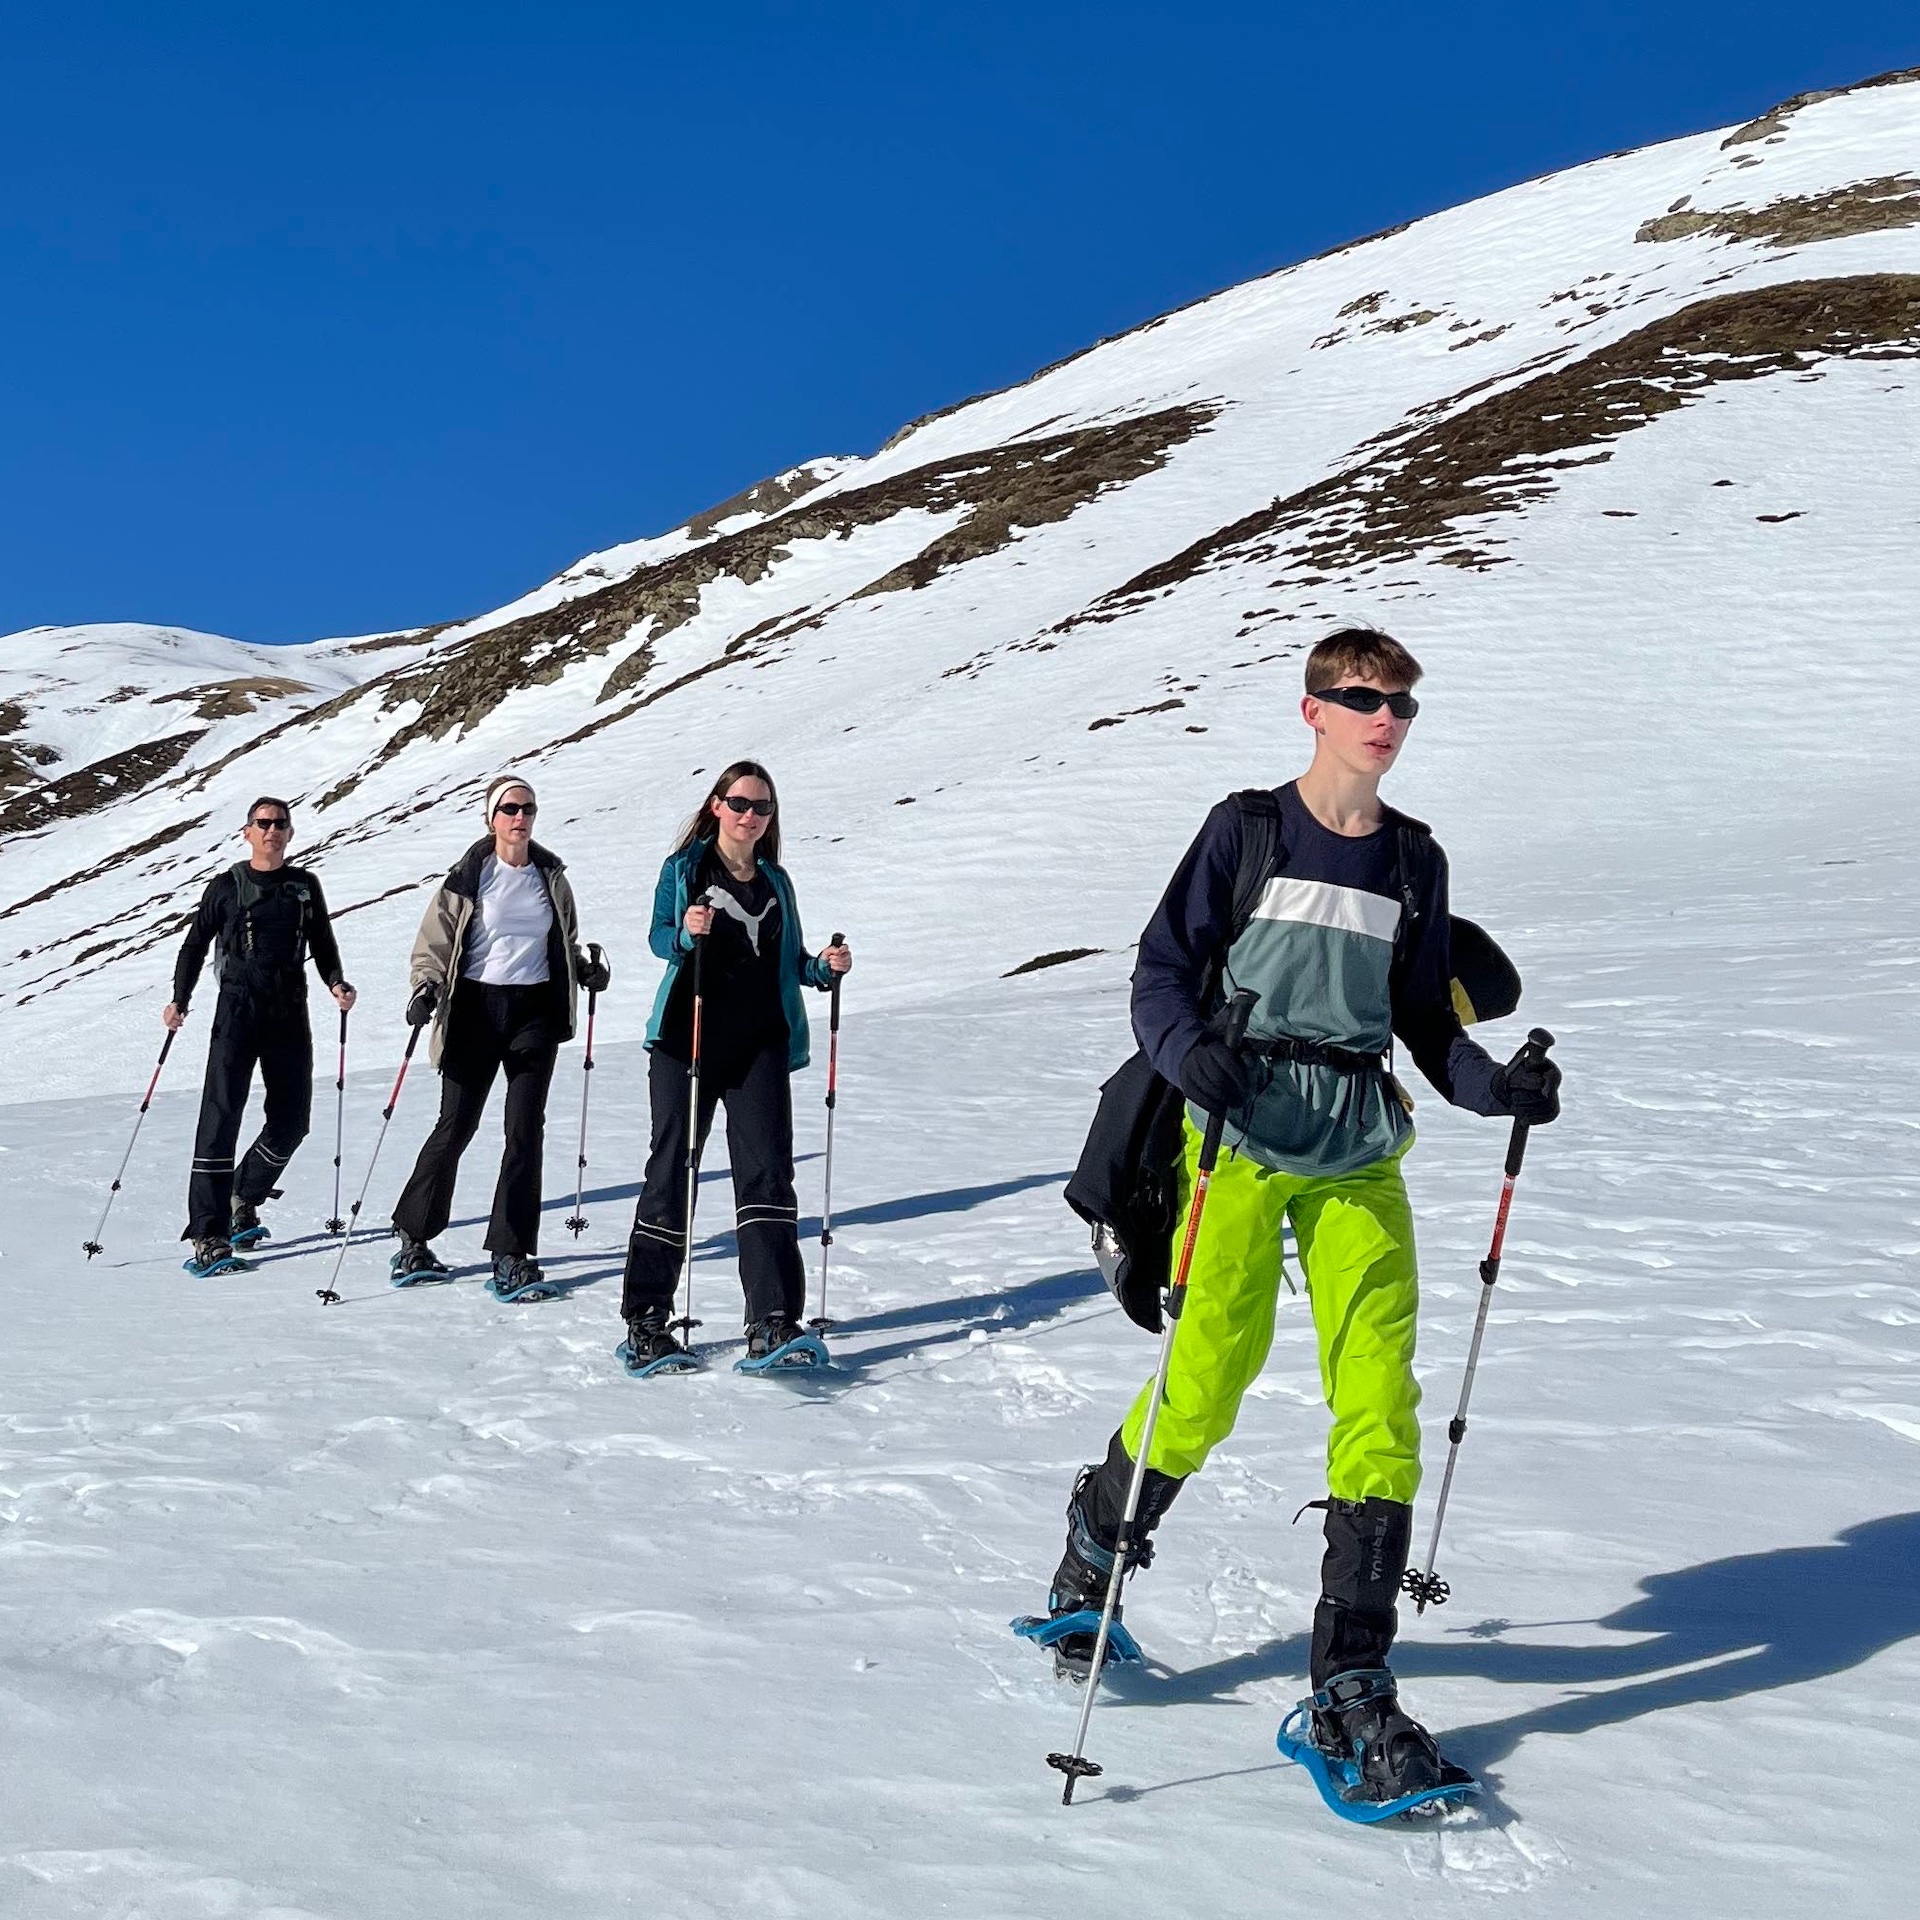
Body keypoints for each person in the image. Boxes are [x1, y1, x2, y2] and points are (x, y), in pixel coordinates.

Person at [1033, 627, 1563, 1800]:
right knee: (1213, 1367)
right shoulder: (1248, 829)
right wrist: (1186, 1056)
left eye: (1403, 703)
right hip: (1234, 1128)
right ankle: (1096, 1535)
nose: (1387, 717)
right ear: (1314, 709)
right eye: (1364, 697)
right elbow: (1162, 971)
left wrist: (1496, 1091)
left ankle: (1349, 1687)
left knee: (1379, 1390)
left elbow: (1427, 1026)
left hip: (1357, 1144)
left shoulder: (1416, 863)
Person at [620, 761, 851, 1368]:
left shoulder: (776, 881)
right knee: (672, 1168)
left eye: (763, 807)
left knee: (767, 1175)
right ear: (717, 805)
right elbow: (658, 938)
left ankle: (773, 1320)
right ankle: (646, 1319)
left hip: (760, 1044)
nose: (752, 816)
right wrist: (685, 932)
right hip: (686, 1038)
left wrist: (824, 969)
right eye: (741, 803)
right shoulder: (685, 870)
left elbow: (791, 963)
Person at [389, 775, 609, 1300]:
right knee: (457, 1124)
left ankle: (511, 1254)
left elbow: (566, 937)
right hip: (473, 1008)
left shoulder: (550, 875)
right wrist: (425, 988)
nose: (520, 817)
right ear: (491, 817)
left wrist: (583, 969)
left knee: (525, 1127)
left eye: (528, 808)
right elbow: (433, 944)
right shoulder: (468, 876)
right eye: (509, 808)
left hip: (534, 1010)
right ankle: (414, 1236)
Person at [166, 796, 356, 1274]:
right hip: (237, 1010)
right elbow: (194, 944)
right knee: (221, 1116)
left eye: (280, 823)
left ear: (290, 834)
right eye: (263, 823)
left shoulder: (304, 885)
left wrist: (336, 982)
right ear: (247, 831)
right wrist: (179, 999)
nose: (272, 830)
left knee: (293, 1120)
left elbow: (322, 941)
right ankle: (209, 1232)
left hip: (289, 1011)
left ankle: (244, 1194)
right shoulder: (226, 886)